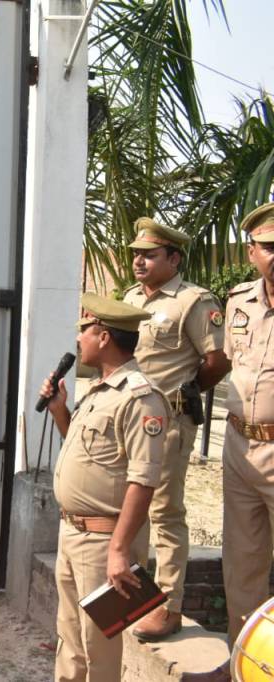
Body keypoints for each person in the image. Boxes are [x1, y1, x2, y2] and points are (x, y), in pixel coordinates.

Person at [40, 294, 172, 682]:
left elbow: (144, 480)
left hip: (103, 543)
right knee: (70, 640)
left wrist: (118, 550)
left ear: (103, 337)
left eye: (84, 330)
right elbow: (86, 454)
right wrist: (60, 411)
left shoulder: (141, 398)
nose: (78, 338)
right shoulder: (99, 391)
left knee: (99, 648)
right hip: (72, 533)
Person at [121, 218, 230, 641]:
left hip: (167, 423)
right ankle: (132, 599)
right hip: (128, 423)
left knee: (165, 513)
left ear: (174, 259)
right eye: (136, 255)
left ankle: (168, 607)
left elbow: (217, 361)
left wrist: (187, 393)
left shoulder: (193, 301)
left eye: (149, 255)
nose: (139, 262)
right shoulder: (131, 298)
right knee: (130, 511)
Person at [182, 203, 274, 682]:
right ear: (251, 251)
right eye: (269, 247)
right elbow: (224, 363)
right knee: (242, 565)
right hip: (239, 447)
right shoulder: (239, 301)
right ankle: (244, 664)